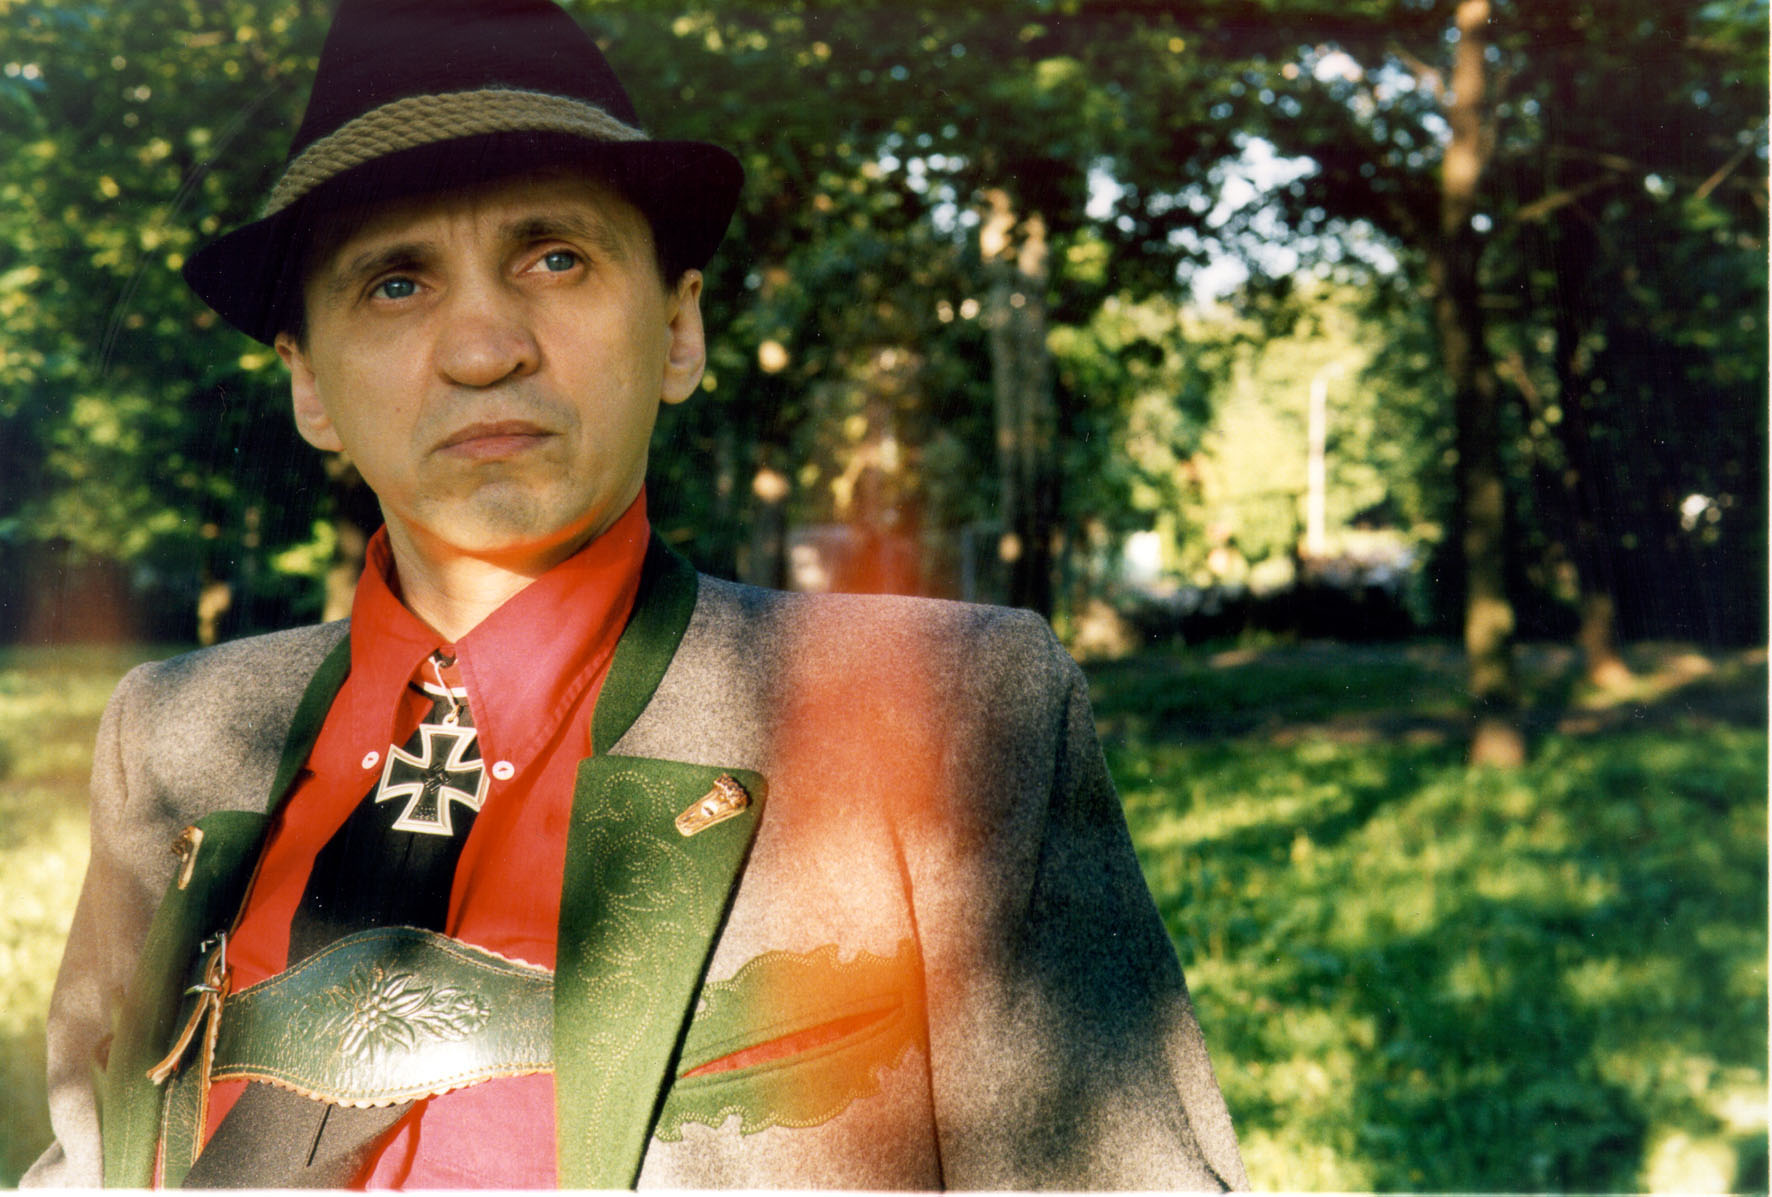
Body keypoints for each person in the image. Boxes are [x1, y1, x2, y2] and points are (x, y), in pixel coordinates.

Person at [25, 0, 1247, 1188]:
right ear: (308, 385)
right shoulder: (174, 740)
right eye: (394, 283)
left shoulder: (938, 714)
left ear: (677, 331)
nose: (484, 348)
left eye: (555, 258)